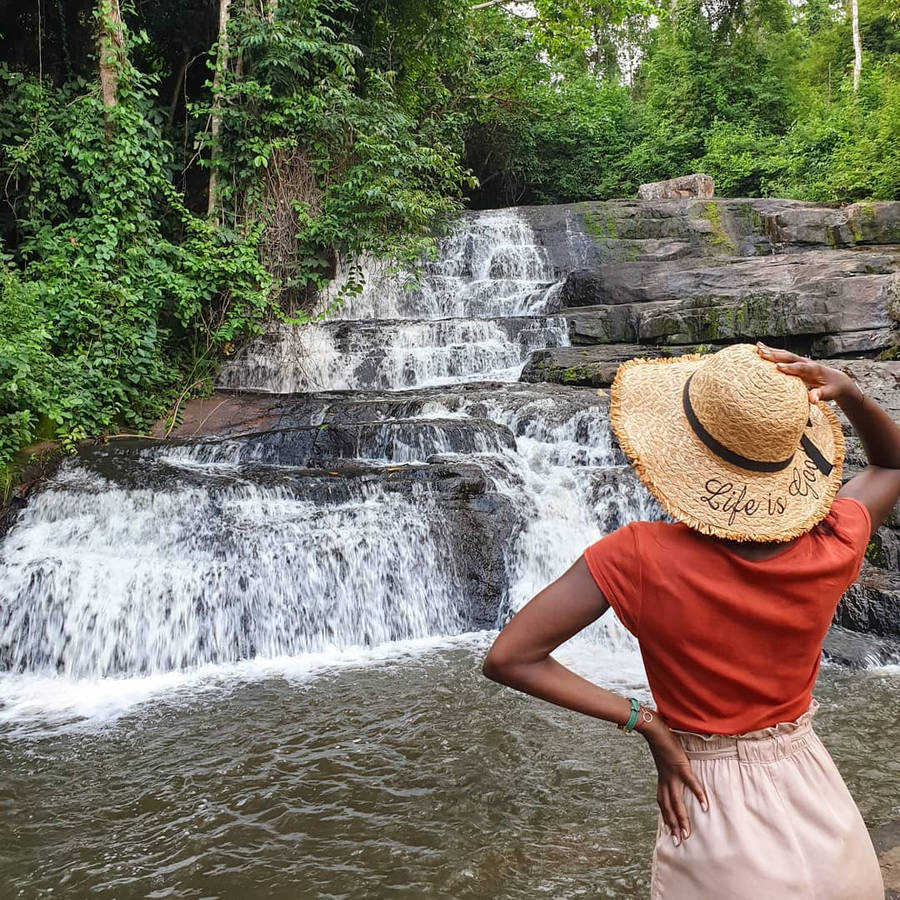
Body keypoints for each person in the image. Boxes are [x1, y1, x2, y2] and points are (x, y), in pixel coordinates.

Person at [482, 342, 899, 899]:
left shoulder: (636, 555)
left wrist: (646, 721)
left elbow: (509, 657)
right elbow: (892, 462)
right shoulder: (837, 538)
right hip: (818, 798)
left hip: (707, 800)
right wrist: (846, 389)